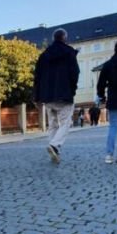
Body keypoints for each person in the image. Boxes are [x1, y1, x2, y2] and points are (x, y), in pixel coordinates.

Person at [33, 28, 80, 164]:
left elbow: (37, 77)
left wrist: (37, 96)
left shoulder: (43, 56)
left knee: (53, 124)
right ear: (64, 38)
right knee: (66, 123)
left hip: (47, 96)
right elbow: (75, 73)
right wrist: (73, 89)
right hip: (64, 94)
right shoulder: (69, 53)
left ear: (54, 38)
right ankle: (54, 145)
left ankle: (54, 149)